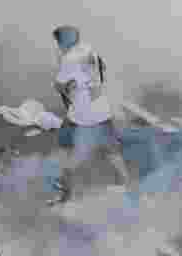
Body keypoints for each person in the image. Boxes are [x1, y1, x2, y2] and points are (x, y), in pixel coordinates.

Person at [48, 25, 131, 205]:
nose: (58, 46)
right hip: (101, 108)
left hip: (83, 113)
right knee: (111, 149)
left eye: (58, 42)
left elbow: (60, 85)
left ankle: (64, 188)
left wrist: (67, 83)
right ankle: (127, 183)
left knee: (66, 144)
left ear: (62, 42)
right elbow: (101, 67)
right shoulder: (88, 49)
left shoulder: (68, 59)